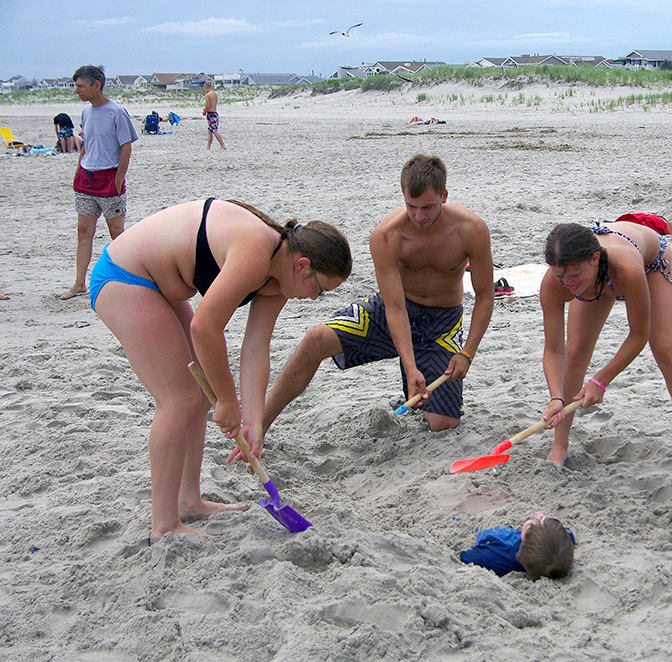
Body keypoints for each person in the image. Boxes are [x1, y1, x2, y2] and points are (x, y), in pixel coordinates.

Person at [91, 198, 352, 541]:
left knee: (197, 396)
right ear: (302, 266)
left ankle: (189, 500)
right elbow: (205, 327)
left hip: (159, 290)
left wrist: (254, 420)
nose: (316, 298)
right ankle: (164, 526)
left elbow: (256, 349)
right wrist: (228, 401)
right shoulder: (256, 249)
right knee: (180, 398)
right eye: (319, 289)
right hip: (124, 278)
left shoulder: (279, 281)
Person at [260, 154, 494, 438]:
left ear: (444, 196)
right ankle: (259, 426)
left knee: (442, 425)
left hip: (442, 325)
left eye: (428, 207)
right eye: (411, 206)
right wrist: (410, 367)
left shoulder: (472, 230)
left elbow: (484, 297)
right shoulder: (386, 235)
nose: (419, 216)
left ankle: (426, 383)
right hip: (392, 311)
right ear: (403, 197)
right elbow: (395, 307)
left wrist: (466, 353)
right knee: (315, 339)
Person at [538, 215, 672, 465]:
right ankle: (559, 446)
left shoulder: (626, 268)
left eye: (573, 275)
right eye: (561, 277)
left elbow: (639, 334)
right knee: (575, 353)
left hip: (651, 263)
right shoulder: (557, 282)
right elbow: (553, 350)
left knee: (664, 346)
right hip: (596, 279)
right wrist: (556, 397)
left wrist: (600, 380)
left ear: (594, 258)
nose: (567, 284)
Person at [61, 65, 139, 301]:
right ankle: (79, 283)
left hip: (109, 179)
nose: (77, 90)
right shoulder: (86, 112)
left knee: (117, 233)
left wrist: (118, 179)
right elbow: (86, 142)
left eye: (81, 86)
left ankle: (131, 279)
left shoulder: (116, 112)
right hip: (87, 178)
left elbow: (126, 147)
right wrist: (78, 169)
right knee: (84, 231)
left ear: (97, 85)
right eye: (76, 86)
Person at [459, 511, 575, 580]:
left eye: (539, 519)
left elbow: (465, 557)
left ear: (526, 532)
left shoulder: (495, 555)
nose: (539, 513)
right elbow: (566, 534)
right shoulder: (561, 545)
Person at [203, 81, 226, 150]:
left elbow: (207, 106)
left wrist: (204, 112)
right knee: (210, 131)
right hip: (215, 113)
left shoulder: (208, 95)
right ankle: (208, 147)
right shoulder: (215, 94)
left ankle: (222, 145)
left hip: (211, 114)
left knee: (214, 130)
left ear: (206, 87)